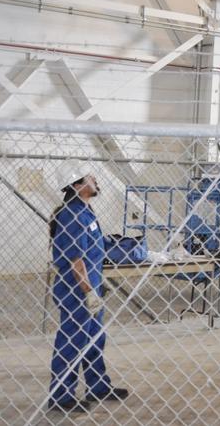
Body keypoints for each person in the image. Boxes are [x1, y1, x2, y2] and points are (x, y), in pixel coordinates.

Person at [48, 165, 129, 413]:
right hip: (77, 290)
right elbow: (77, 261)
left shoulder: (85, 211)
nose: (95, 180)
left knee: (94, 339)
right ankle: (61, 396)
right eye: (90, 178)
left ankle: (97, 386)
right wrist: (88, 291)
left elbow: (98, 248)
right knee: (72, 342)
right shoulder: (72, 215)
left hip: (89, 287)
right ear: (76, 186)